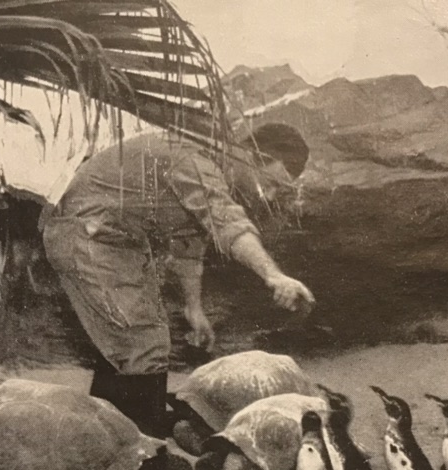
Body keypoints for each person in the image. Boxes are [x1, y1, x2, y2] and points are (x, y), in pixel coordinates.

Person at [41, 123, 316, 441]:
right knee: (142, 343)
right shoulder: (194, 160)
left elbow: (188, 243)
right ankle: (142, 452)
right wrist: (273, 276)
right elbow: (228, 224)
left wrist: (194, 308)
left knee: (130, 341)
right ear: (253, 155)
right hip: (85, 233)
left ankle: (109, 436)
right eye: (268, 183)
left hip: (116, 241)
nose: (266, 195)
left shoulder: (210, 162)